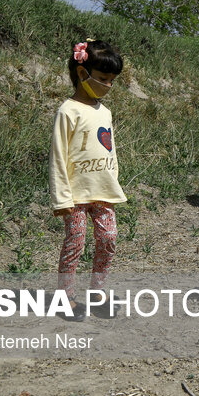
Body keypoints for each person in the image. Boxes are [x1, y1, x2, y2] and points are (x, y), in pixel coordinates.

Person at [50, 40, 127, 320]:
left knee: (108, 238)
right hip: (76, 195)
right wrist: (61, 198)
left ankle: (98, 291)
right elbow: (58, 157)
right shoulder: (67, 111)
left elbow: (110, 150)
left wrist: (113, 181)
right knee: (75, 243)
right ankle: (65, 297)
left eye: (112, 80)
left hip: (103, 192)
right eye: (104, 79)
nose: (109, 85)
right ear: (83, 75)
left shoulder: (104, 111)